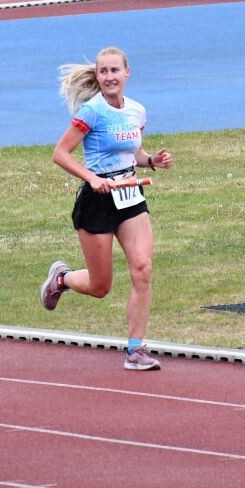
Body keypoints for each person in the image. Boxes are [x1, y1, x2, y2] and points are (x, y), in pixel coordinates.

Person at [40, 46, 173, 370]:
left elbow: (133, 153)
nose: (110, 77)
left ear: (127, 73)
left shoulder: (137, 111)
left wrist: (152, 161)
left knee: (143, 268)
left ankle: (136, 350)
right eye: (104, 72)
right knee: (101, 287)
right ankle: (62, 279)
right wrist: (92, 178)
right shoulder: (91, 112)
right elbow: (61, 153)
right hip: (97, 201)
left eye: (115, 70)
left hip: (130, 196)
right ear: (98, 76)